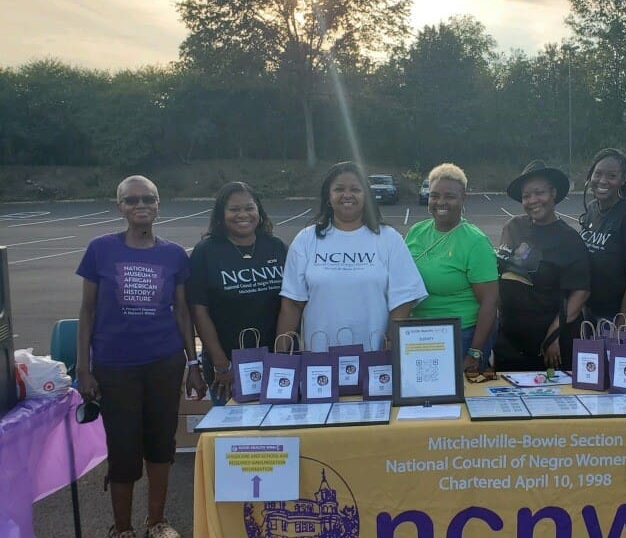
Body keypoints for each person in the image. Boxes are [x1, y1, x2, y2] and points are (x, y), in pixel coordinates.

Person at [75, 175, 205, 538]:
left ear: (159, 204)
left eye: (148, 198)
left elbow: (182, 311)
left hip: (164, 362)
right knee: (124, 447)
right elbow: (87, 311)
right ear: (120, 206)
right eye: (132, 200)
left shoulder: (174, 255)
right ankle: (122, 528)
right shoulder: (100, 250)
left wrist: (192, 362)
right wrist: (85, 367)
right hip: (115, 366)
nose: (141, 205)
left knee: (161, 444)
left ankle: (157, 521)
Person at [277, 162, 426, 352]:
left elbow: (404, 299)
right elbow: (291, 303)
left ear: (366, 197)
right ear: (328, 197)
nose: (347, 195)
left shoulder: (389, 238)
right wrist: (281, 358)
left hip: (373, 358)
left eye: (355, 189)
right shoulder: (306, 239)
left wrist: (390, 343)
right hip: (319, 363)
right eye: (339, 189)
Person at [187, 182, 288, 404]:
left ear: (259, 211)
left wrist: (283, 357)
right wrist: (221, 364)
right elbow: (198, 310)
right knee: (234, 435)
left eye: (249, 208)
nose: (243, 214)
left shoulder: (276, 247)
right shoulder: (206, 252)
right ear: (221, 214)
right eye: (234, 209)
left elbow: (290, 303)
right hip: (227, 365)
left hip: (274, 360)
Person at [494, 160, 589, 370]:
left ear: (553, 193)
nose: (533, 200)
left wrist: (553, 335)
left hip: (549, 347)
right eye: (526, 196)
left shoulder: (569, 240)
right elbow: (501, 273)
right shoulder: (513, 227)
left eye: (539, 193)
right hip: (508, 343)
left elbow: (580, 293)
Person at [405, 163, 498, 374]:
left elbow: (490, 302)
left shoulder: (475, 242)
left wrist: (475, 352)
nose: (441, 202)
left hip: (461, 337)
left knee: (457, 402)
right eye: (434, 195)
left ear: (464, 198)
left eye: (450, 196)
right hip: (417, 335)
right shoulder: (415, 232)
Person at [578, 148, 626, 324]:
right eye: (598, 174)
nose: (603, 181)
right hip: (591, 314)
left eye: (611, 176)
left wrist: (621, 325)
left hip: (617, 317)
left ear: (623, 179)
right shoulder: (592, 209)